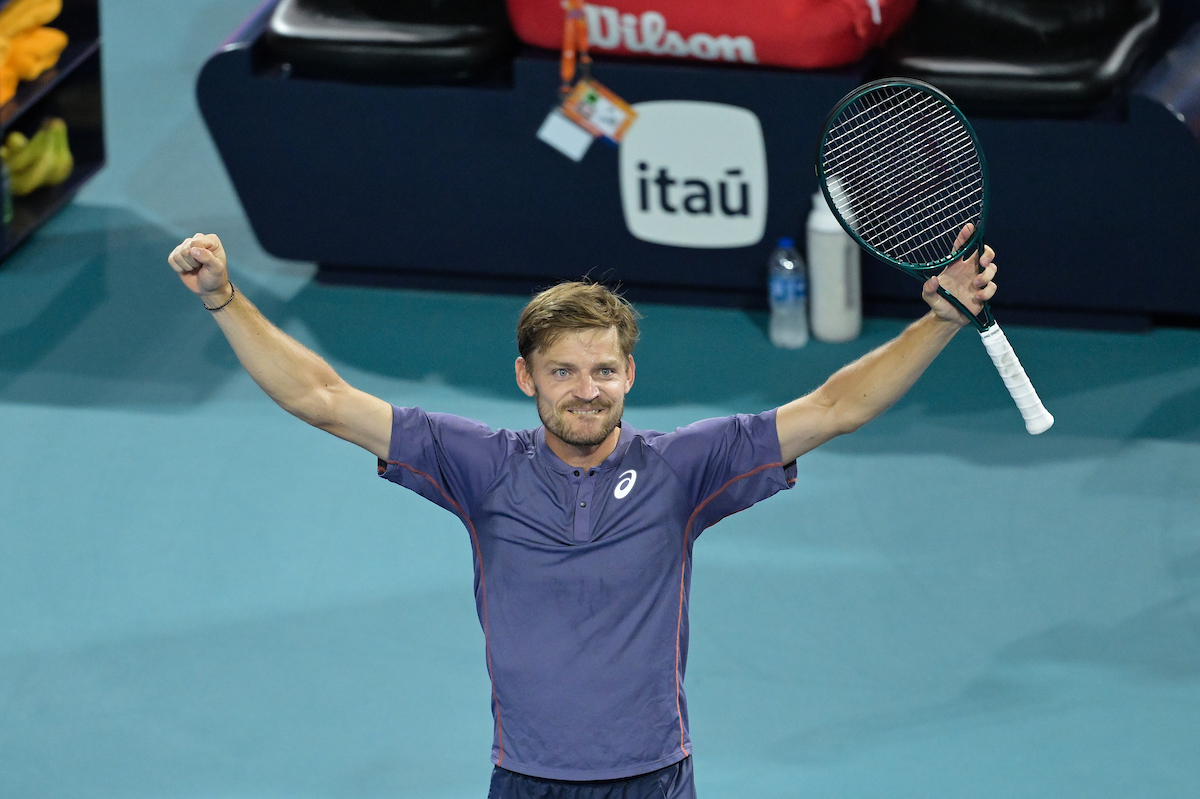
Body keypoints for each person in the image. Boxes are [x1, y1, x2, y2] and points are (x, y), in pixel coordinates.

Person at [167, 226, 997, 799]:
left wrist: (939, 321)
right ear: (527, 378)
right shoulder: (478, 465)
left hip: (652, 777)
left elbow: (835, 407)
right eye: (562, 371)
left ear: (630, 374)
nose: (585, 389)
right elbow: (322, 397)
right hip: (526, 777)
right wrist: (225, 298)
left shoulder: (686, 467)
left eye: (602, 369)